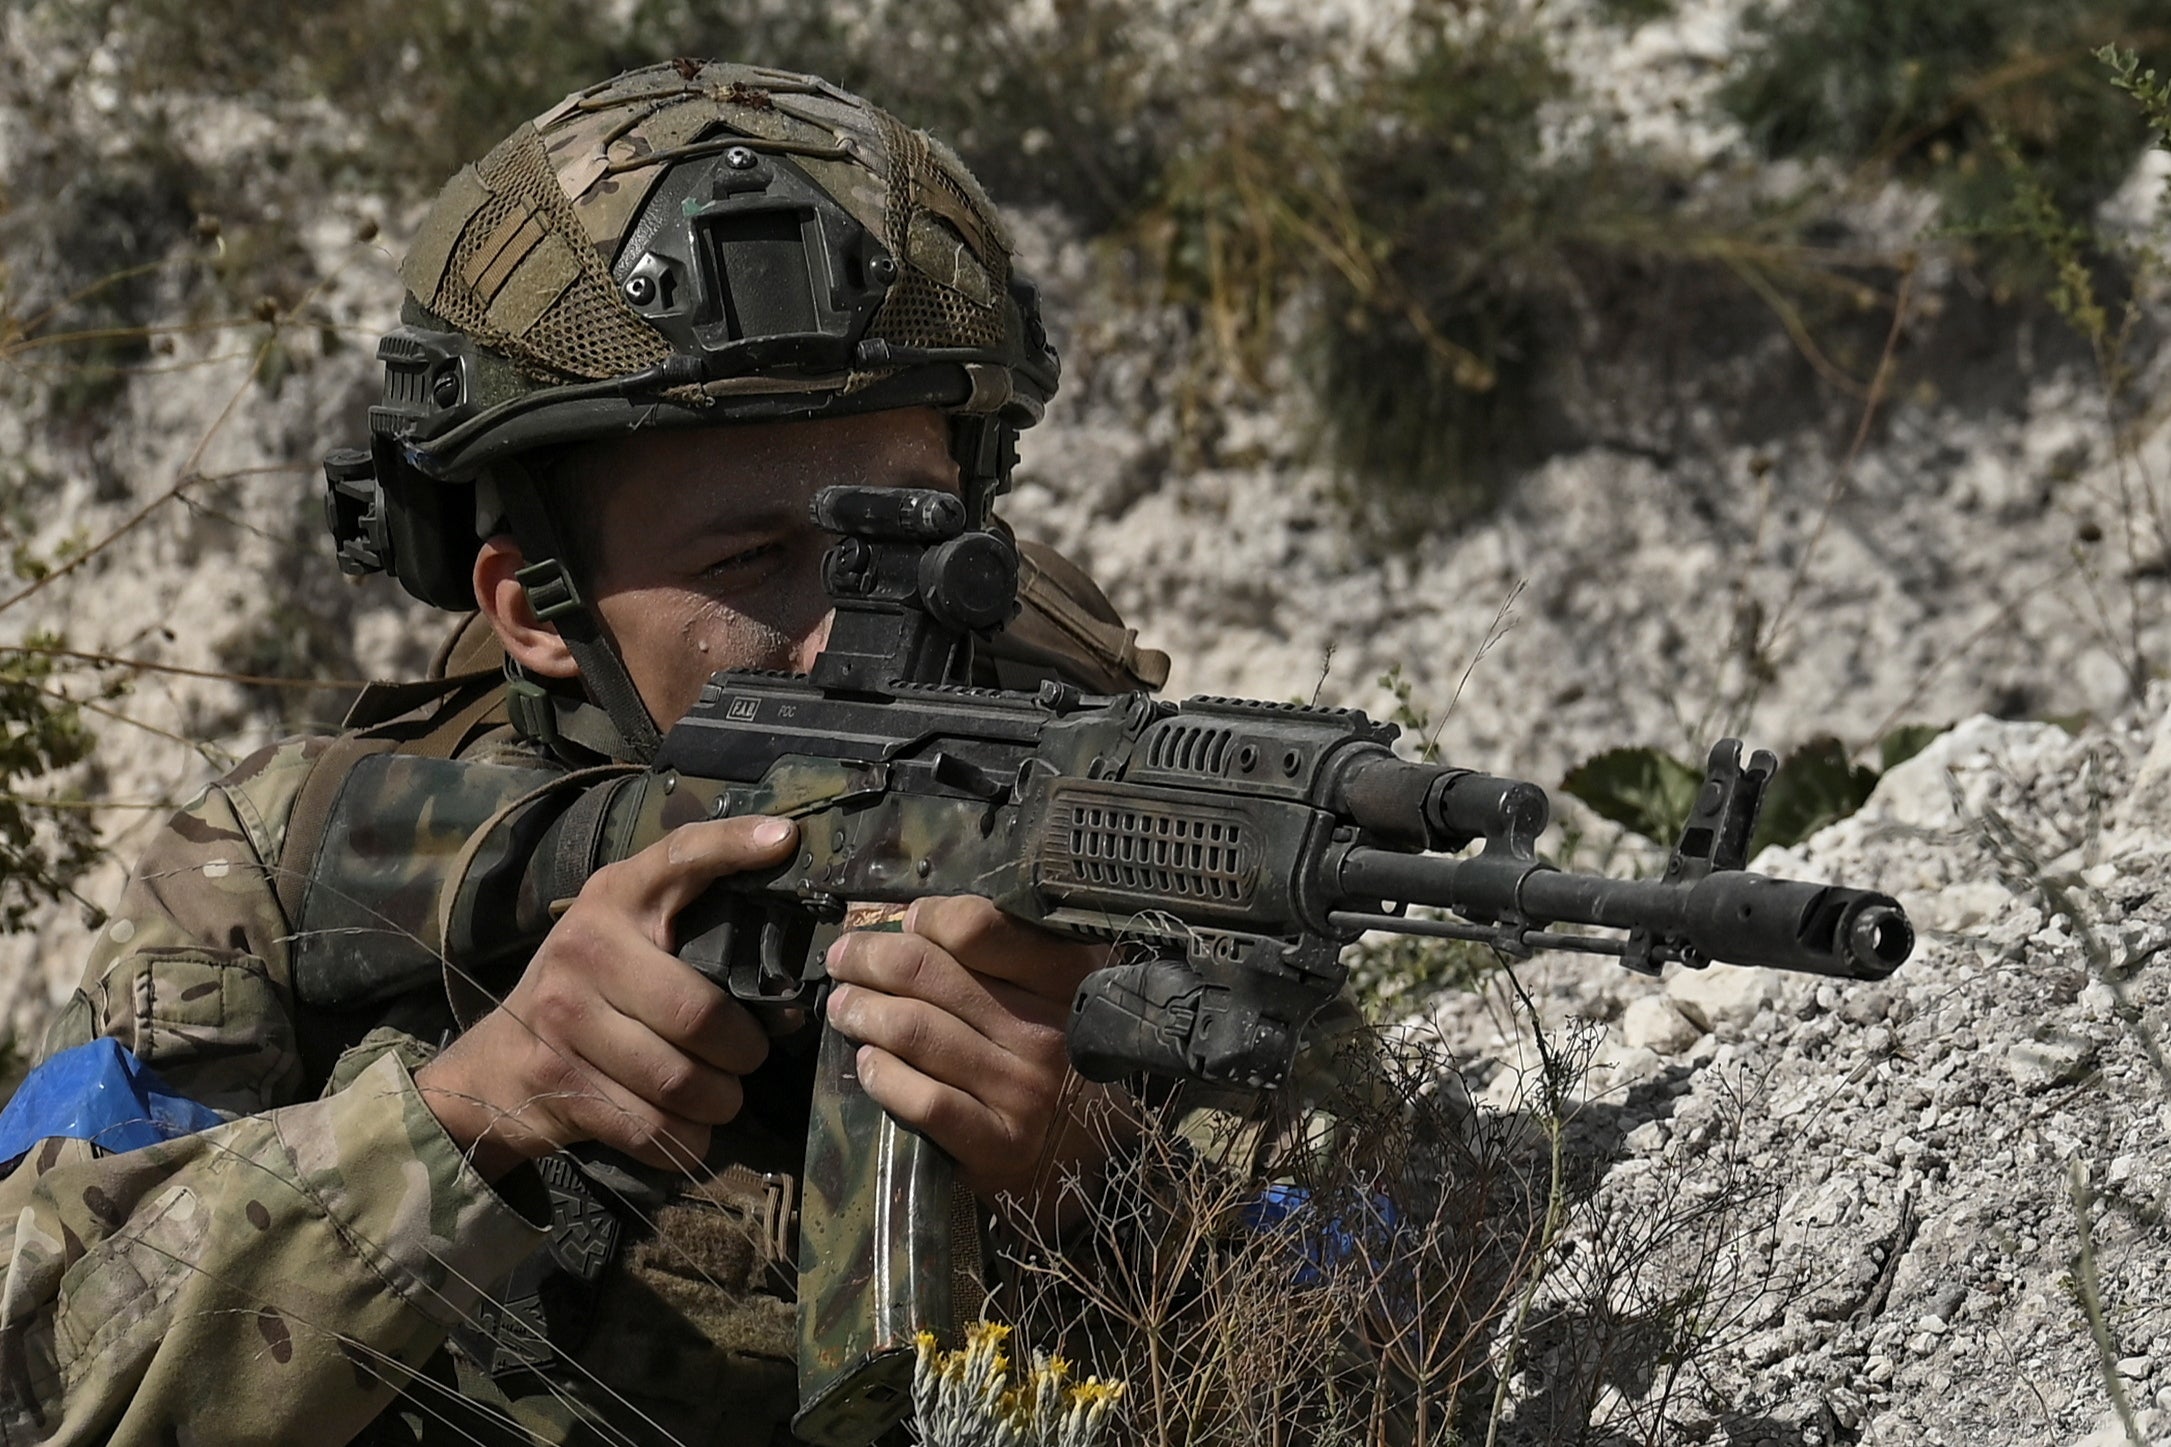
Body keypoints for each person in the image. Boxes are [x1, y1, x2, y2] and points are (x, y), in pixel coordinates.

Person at [0, 60, 1168, 1446]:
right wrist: (463, 1116)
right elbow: (33, 1378)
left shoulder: (1120, 824)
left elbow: (1413, 1311)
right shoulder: (268, 875)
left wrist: (1106, 1181)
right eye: (752, 559)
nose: (841, 626)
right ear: (531, 610)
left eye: (909, 532)